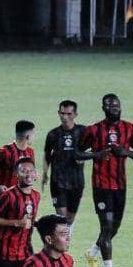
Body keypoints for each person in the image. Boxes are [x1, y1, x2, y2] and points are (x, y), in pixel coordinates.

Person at [79, 93, 133, 267]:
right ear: (104, 109)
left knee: (114, 229)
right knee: (106, 228)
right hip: (101, 186)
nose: (114, 108)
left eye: (116, 105)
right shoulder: (94, 130)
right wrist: (97, 154)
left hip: (120, 186)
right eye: (109, 106)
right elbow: (78, 152)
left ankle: (92, 254)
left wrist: (127, 153)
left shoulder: (130, 128)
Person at [41, 100, 88, 233]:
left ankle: (66, 241)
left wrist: (84, 157)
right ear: (58, 113)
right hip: (58, 181)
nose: (64, 116)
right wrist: (45, 173)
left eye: (68, 113)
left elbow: (93, 149)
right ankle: (62, 247)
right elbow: (47, 155)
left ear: (75, 114)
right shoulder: (53, 134)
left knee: (70, 218)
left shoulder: (83, 131)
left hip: (77, 181)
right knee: (62, 217)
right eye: (62, 113)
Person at [0, 120, 36, 203]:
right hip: (5, 198)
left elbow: (31, 174)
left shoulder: (30, 152)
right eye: (33, 134)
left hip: (22, 200)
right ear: (28, 136)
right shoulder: (5, 151)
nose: (34, 136)